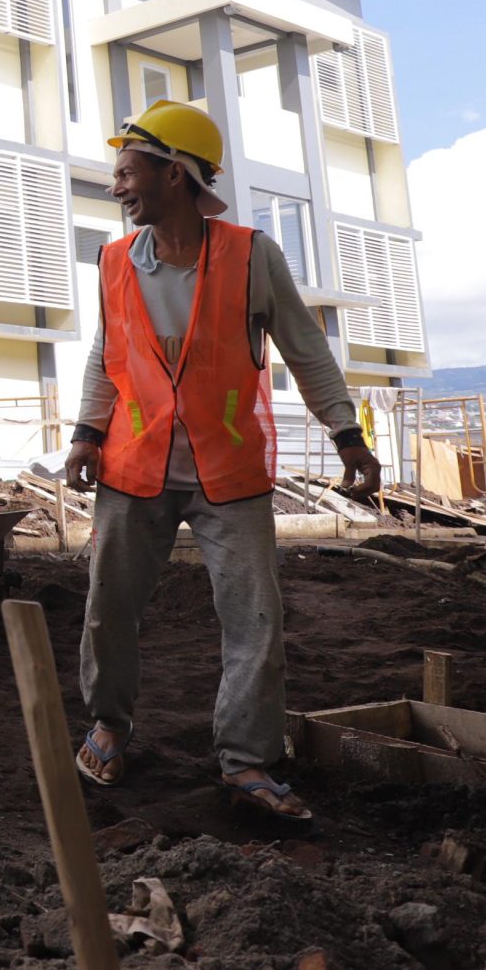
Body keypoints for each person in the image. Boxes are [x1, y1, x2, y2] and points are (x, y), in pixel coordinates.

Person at [60, 100, 382, 821]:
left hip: (227, 470)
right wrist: (87, 431)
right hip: (133, 466)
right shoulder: (115, 262)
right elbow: (105, 355)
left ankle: (246, 761)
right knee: (109, 608)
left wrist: (347, 434)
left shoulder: (251, 255)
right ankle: (109, 724)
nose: (117, 187)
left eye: (127, 171)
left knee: (254, 619)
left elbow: (305, 347)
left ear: (175, 174)